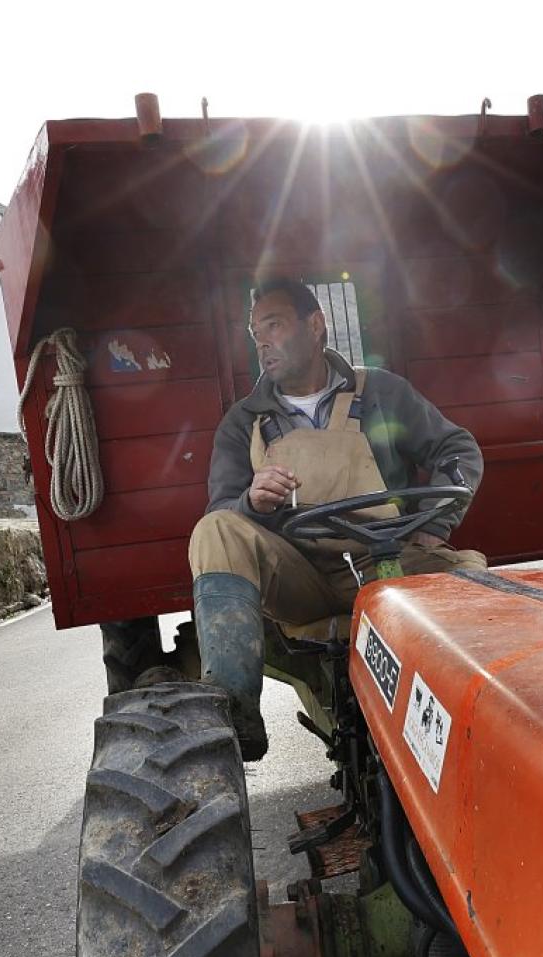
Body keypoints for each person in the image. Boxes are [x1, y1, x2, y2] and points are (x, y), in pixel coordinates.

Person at [188, 278, 486, 759]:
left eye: (274, 324)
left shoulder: (382, 392)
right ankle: (235, 711)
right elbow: (222, 509)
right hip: (301, 578)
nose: (261, 340)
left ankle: (481, 728)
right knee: (215, 530)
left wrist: (435, 526)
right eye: (254, 330)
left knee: (476, 588)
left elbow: (458, 449)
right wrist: (250, 503)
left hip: (386, 563)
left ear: (316, 324)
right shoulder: (245, 421)